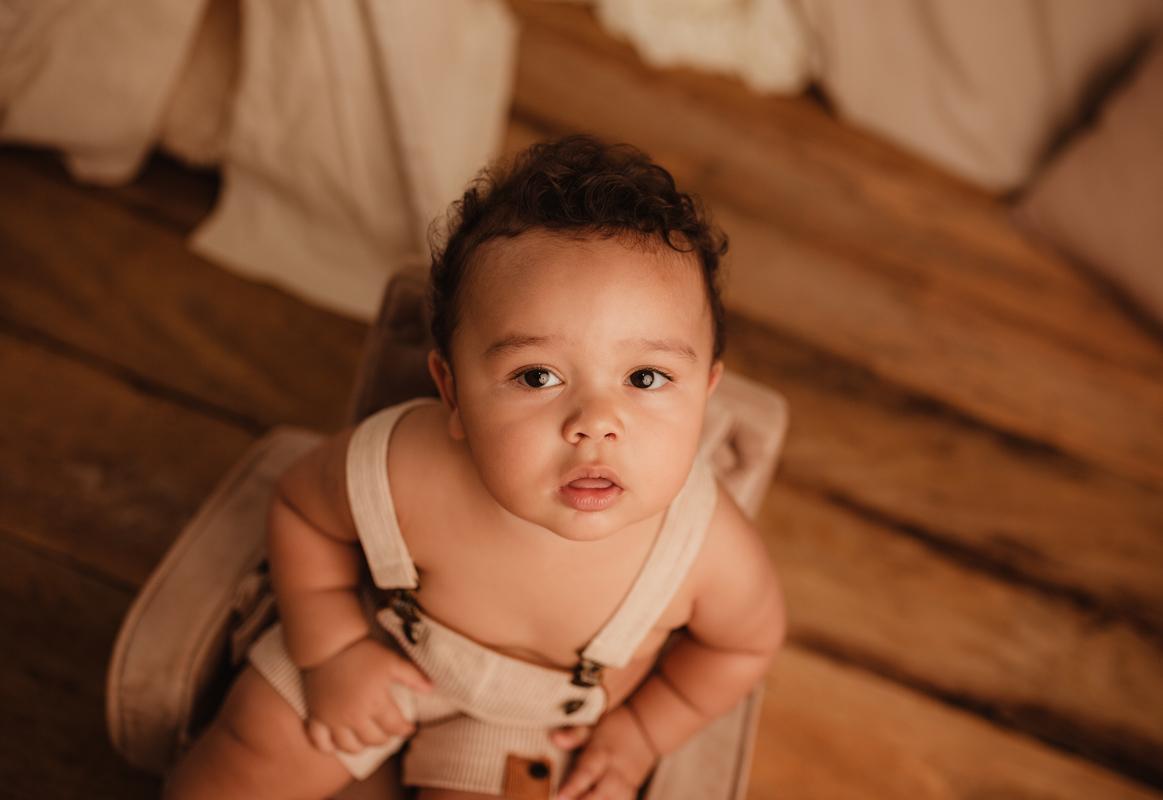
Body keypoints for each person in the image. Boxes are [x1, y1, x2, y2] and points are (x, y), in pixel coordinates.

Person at [164, 135, 786, 800]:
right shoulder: (407, 464)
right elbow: (300, 510)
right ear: (452, 390)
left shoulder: (704, 550)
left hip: (536, 727)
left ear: (707, 390)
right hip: (383, 645)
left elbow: (742, 647)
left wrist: (641, 733)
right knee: (252, 749)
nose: (595, 421)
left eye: (646, 376)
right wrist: (331, 647)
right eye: (538, 375)